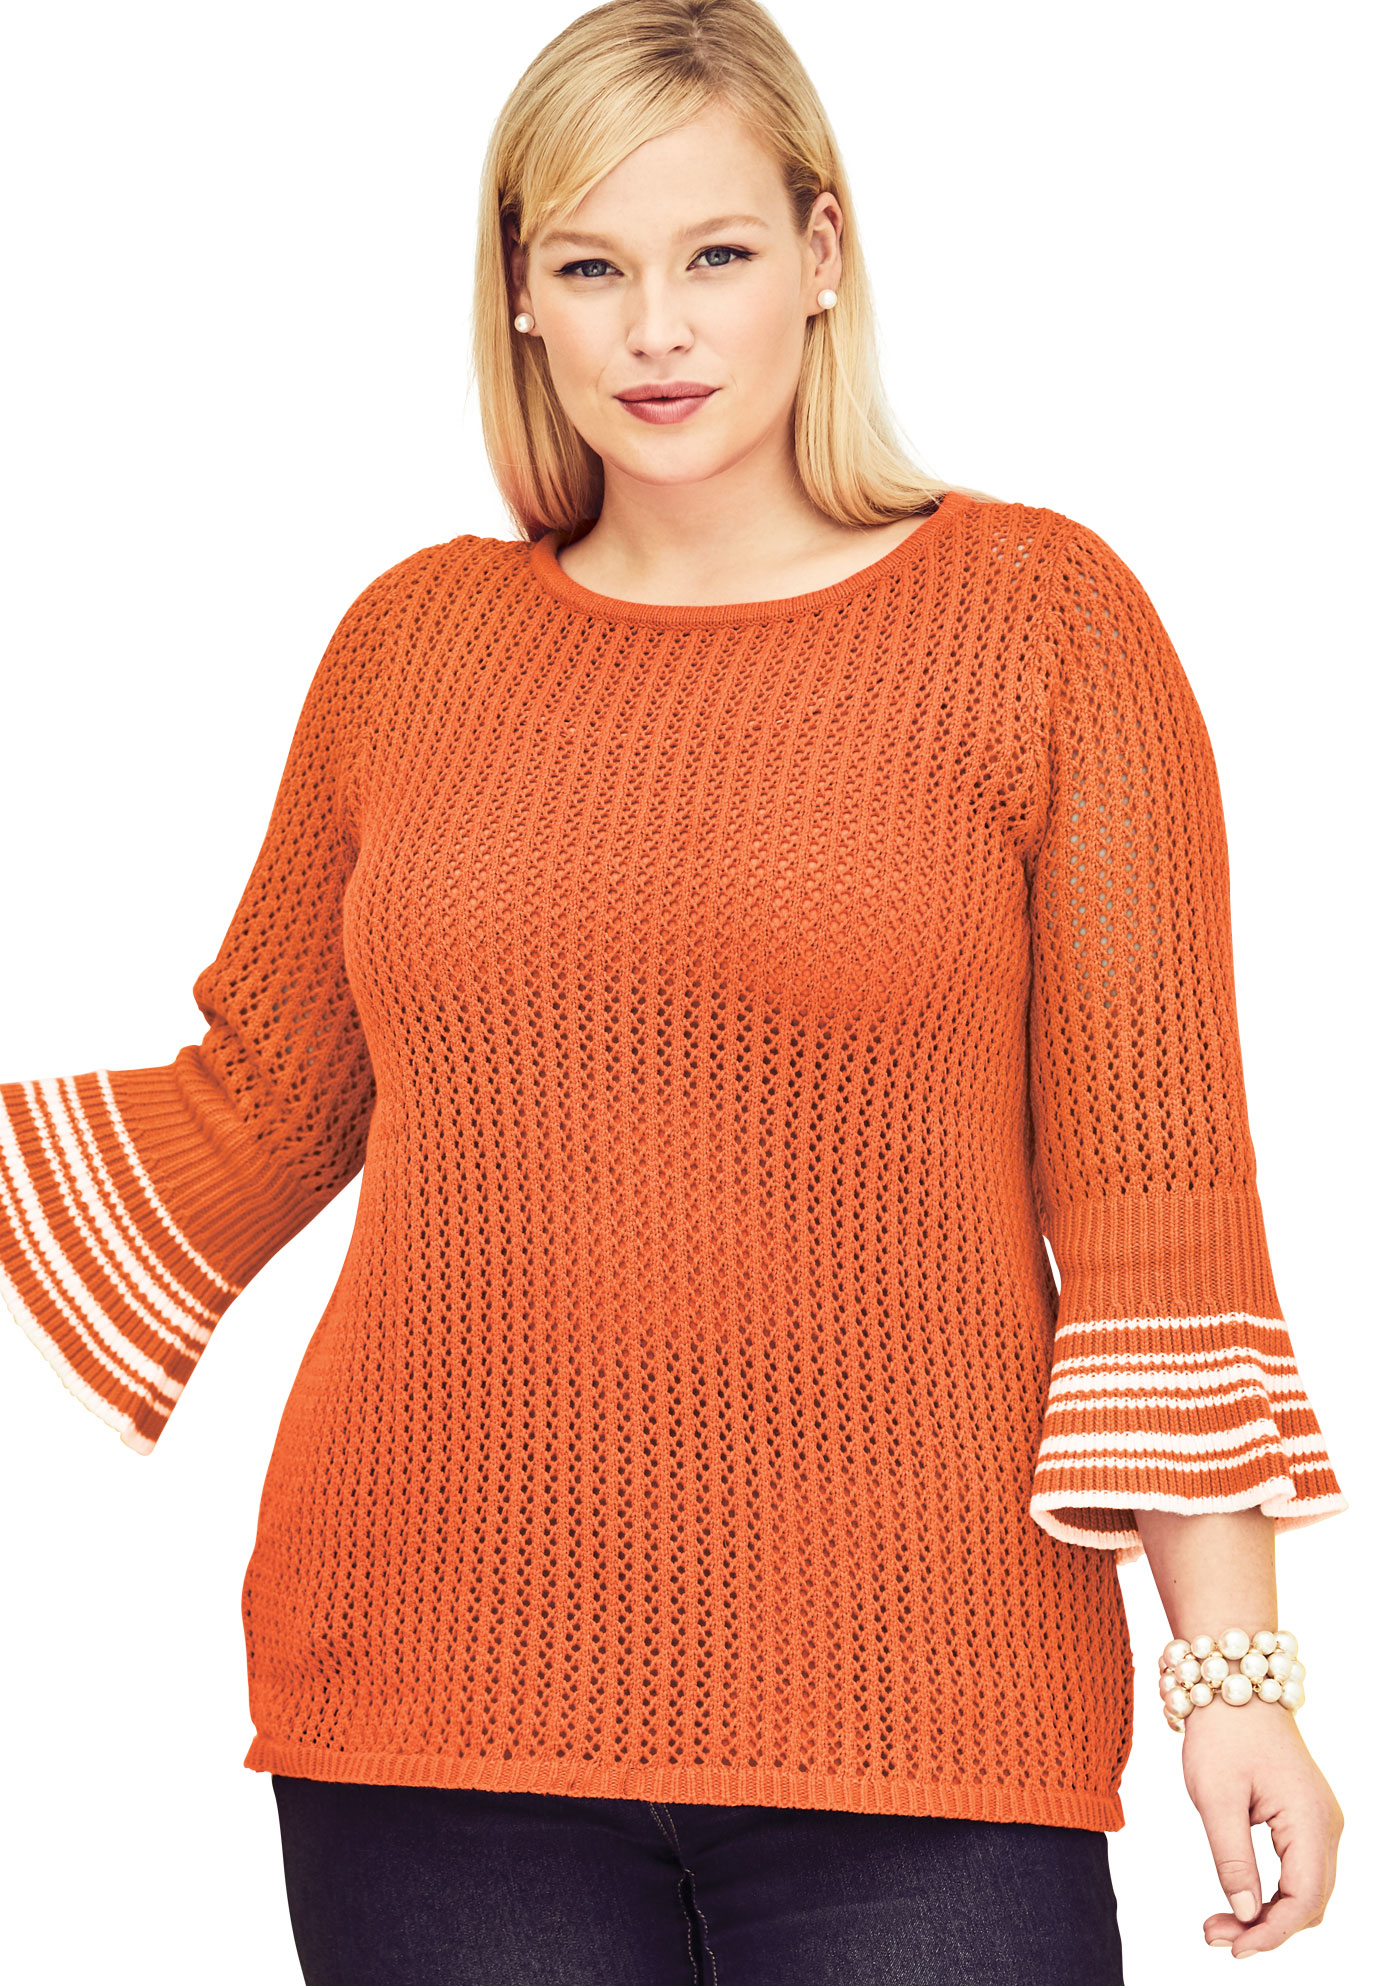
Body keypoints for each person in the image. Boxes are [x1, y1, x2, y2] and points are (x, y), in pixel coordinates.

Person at [0, 3, 1349, 1981]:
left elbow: (1156, 1200)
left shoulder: (1041, 622)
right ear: (518, 294)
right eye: (590, 268)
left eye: (714, 254)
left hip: (928, 1714)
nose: (656, 329)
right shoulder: (412, 644)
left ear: (820, 254)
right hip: (430, 1703)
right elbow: (258, 1106)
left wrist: (1234, 1675)